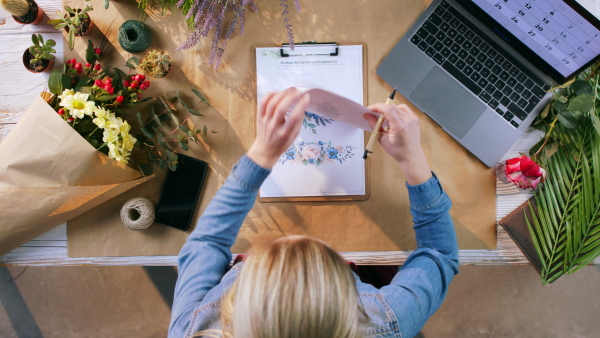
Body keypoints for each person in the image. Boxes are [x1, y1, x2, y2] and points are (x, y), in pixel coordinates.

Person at [168, 88, 459, 338]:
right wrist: (413, 159)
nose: (297, 234)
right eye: (326, 254)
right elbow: (440, 253)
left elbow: (206, 244)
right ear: (351, 300)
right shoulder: (384, 320)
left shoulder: (195, 328)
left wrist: (260, 156)